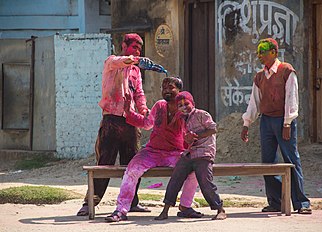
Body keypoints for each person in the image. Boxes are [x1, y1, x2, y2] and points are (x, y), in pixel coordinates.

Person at [104, 76, 200, 222]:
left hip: (175, 153)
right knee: (131, 170)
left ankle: (185, 207)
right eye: (164, 88)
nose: (166, 90)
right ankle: (121, 210)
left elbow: (193, 131)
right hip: (152, 151)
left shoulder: (186, 109)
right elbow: (147, 123)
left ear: (179, 90)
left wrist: (190, 140)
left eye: (171, 88)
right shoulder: (159, 105)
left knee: (193, 171)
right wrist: (128, 112)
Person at [77, 33, 152, 216]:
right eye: (133, 47)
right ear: (123, 45)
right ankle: (89, 204)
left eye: (139, 49)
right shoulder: (112, 62)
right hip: (111, 120)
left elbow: (139, 94)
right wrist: (135, 59)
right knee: (104, 164)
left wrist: (144, 110)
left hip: (130, 122)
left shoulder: (135, 71)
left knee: (132, 163)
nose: (136, 51)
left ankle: (132, 202)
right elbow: (121, 61)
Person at [240, 38, 312, 214]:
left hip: (283, 120)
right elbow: (254, 102)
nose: (259, 56)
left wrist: (287, 123)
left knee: (291, 160)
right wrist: (246, 123)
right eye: (258, 52)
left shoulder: (286, 71)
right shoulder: (259, 76)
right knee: (268, 162)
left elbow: (291, 98)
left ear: (273, 52)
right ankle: (275, 201)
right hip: (266, 122)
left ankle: (301, 203)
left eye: (263, 52)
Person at [155, 91, 227, 221]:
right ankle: (165, 210)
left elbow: (213, 129)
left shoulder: (201, 114)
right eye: (180, 105)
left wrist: (196, 136)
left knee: (205, 182)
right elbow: (186, 140)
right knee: (175, 178)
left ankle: (220, 209)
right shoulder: (182, 119)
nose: (184, 107)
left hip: (204, 153)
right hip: (190, 153)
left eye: (186, 104)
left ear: (192, 103)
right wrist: (188, 140)